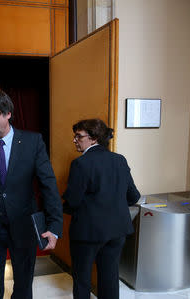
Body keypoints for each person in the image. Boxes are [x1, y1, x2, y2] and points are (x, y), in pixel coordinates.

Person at [0, 90, 63, 299]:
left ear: (8, 113)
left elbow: (48, 185)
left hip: (24, 225)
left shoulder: (32, 142)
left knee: (24, 286)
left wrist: (54, 226)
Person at [62, 119, 140, 299]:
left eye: (79, 136)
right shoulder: (120, 160)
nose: (75, 140)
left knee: (82, 279)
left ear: (94, 138)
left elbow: (73, 201)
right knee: (110, 277)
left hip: (88, 232)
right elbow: (133, 196)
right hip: (117, 230)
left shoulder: (81, 164)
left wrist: (63, 208)